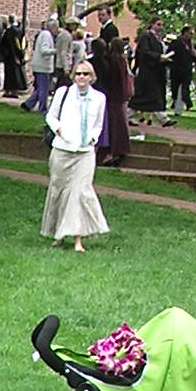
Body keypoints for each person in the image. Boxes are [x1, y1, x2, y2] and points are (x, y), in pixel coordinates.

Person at [40, 58, 109, 255]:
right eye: (78, 74)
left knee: (80, 192)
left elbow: (98, 124)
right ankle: (59, 234)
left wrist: (92, 138)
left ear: (92, 77)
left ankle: (78, 239)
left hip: (84, 153)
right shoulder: (63, 93)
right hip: (62, 150)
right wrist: (59, 130)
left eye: (85, 74)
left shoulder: (99, 98)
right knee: (60, 191)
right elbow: (51, 116)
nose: (81, 77)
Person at [91, 22, 133, 168]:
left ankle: (114, 151)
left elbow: (111, 80)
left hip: (113, 97)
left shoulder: (113, 62)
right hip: (120, 97)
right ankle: (120, 150)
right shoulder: (122, 61)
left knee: (114, 124)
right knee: (121, 123)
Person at [132, 19, 168, 119]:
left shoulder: (158, 39)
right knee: (147, 95)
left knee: (149, 95)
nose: (161, 27)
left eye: (162, 25)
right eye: (158, 24)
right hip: (147, 71)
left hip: (154, 71)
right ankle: (163, 118)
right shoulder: (146, 37)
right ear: (152, 24)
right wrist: (158, 57)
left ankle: (162, 118)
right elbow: (144, 52)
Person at [26, 20, 56, 111]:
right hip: (43, 66)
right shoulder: (46, 35)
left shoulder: (44, 34)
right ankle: (42, 108)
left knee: (40, 88)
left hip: (40, 65)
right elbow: (44, 50)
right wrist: (56, 50)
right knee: (44, 89)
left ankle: (28, 104)